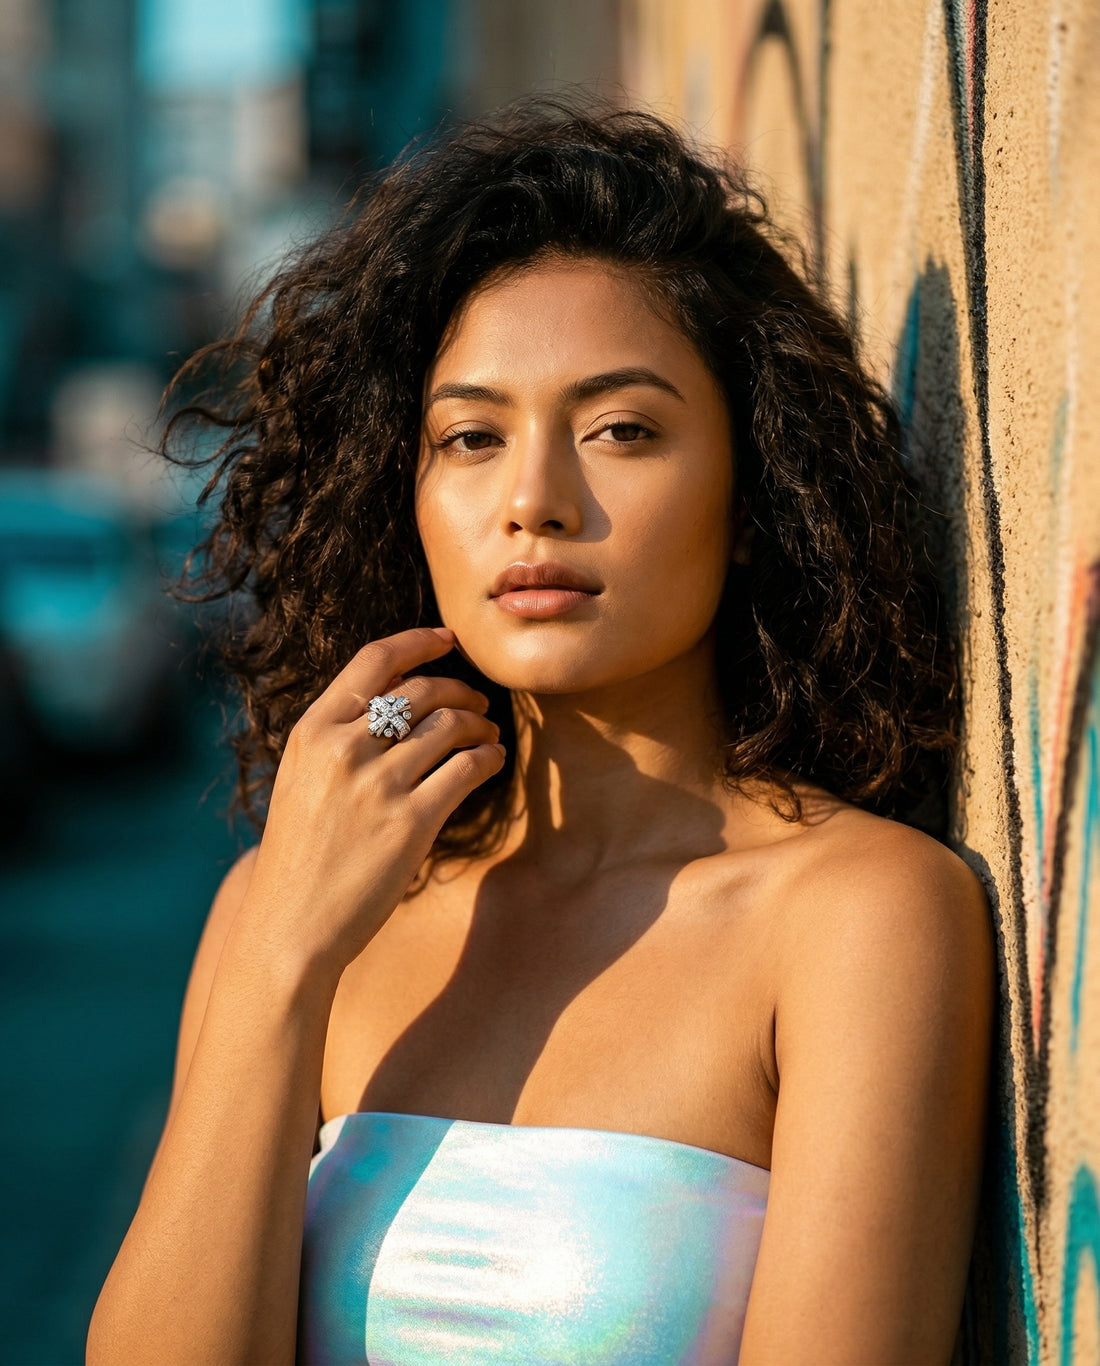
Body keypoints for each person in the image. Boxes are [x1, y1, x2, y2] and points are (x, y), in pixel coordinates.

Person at [87, 100, 993, 1366]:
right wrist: (281, 956)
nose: (533, 501)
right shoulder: (288, 905)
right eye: (470, 437)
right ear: (405, 496)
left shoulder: (858, 914)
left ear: (751, 494)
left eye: (620, 430)